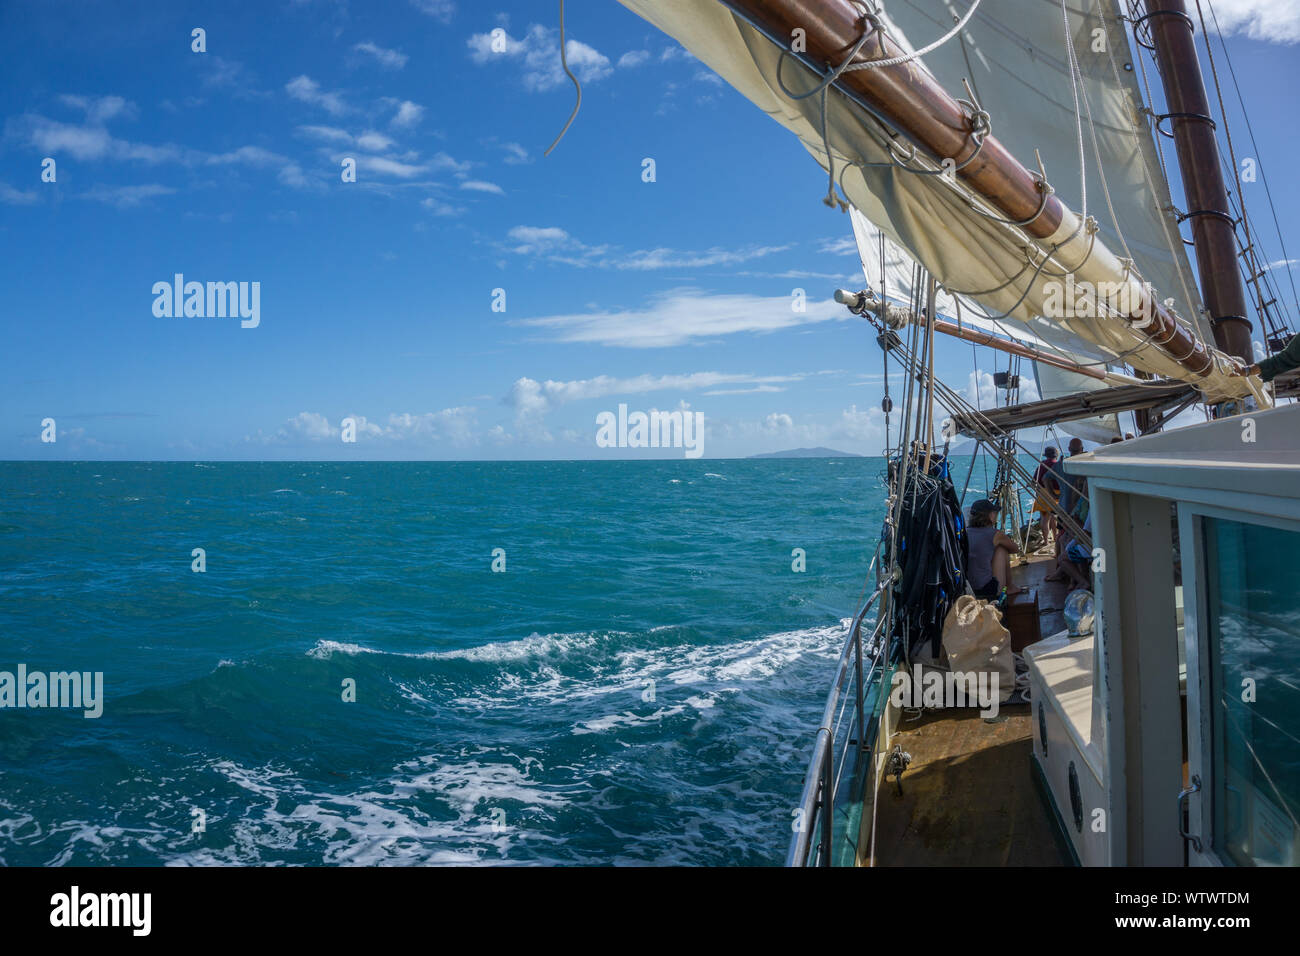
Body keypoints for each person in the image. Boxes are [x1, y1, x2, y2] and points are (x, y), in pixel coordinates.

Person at [966, 498, 1020, 604]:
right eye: (995, 513)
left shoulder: (965, 533)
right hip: (987, 590)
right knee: (1001, 549)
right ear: (990, 516)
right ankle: (1010, 587)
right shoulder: (995, 534)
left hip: (968, 588)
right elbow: (1015, 549)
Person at [1032, 447, 1062, 545]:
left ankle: (1046, 541)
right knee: (1054, 517)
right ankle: (1054, 537)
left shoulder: (1041, 465)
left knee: (1045, 518)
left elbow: (1034, 481)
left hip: (1042, 494)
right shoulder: (1058, 465)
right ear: (1056, 455)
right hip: (1056, 494)